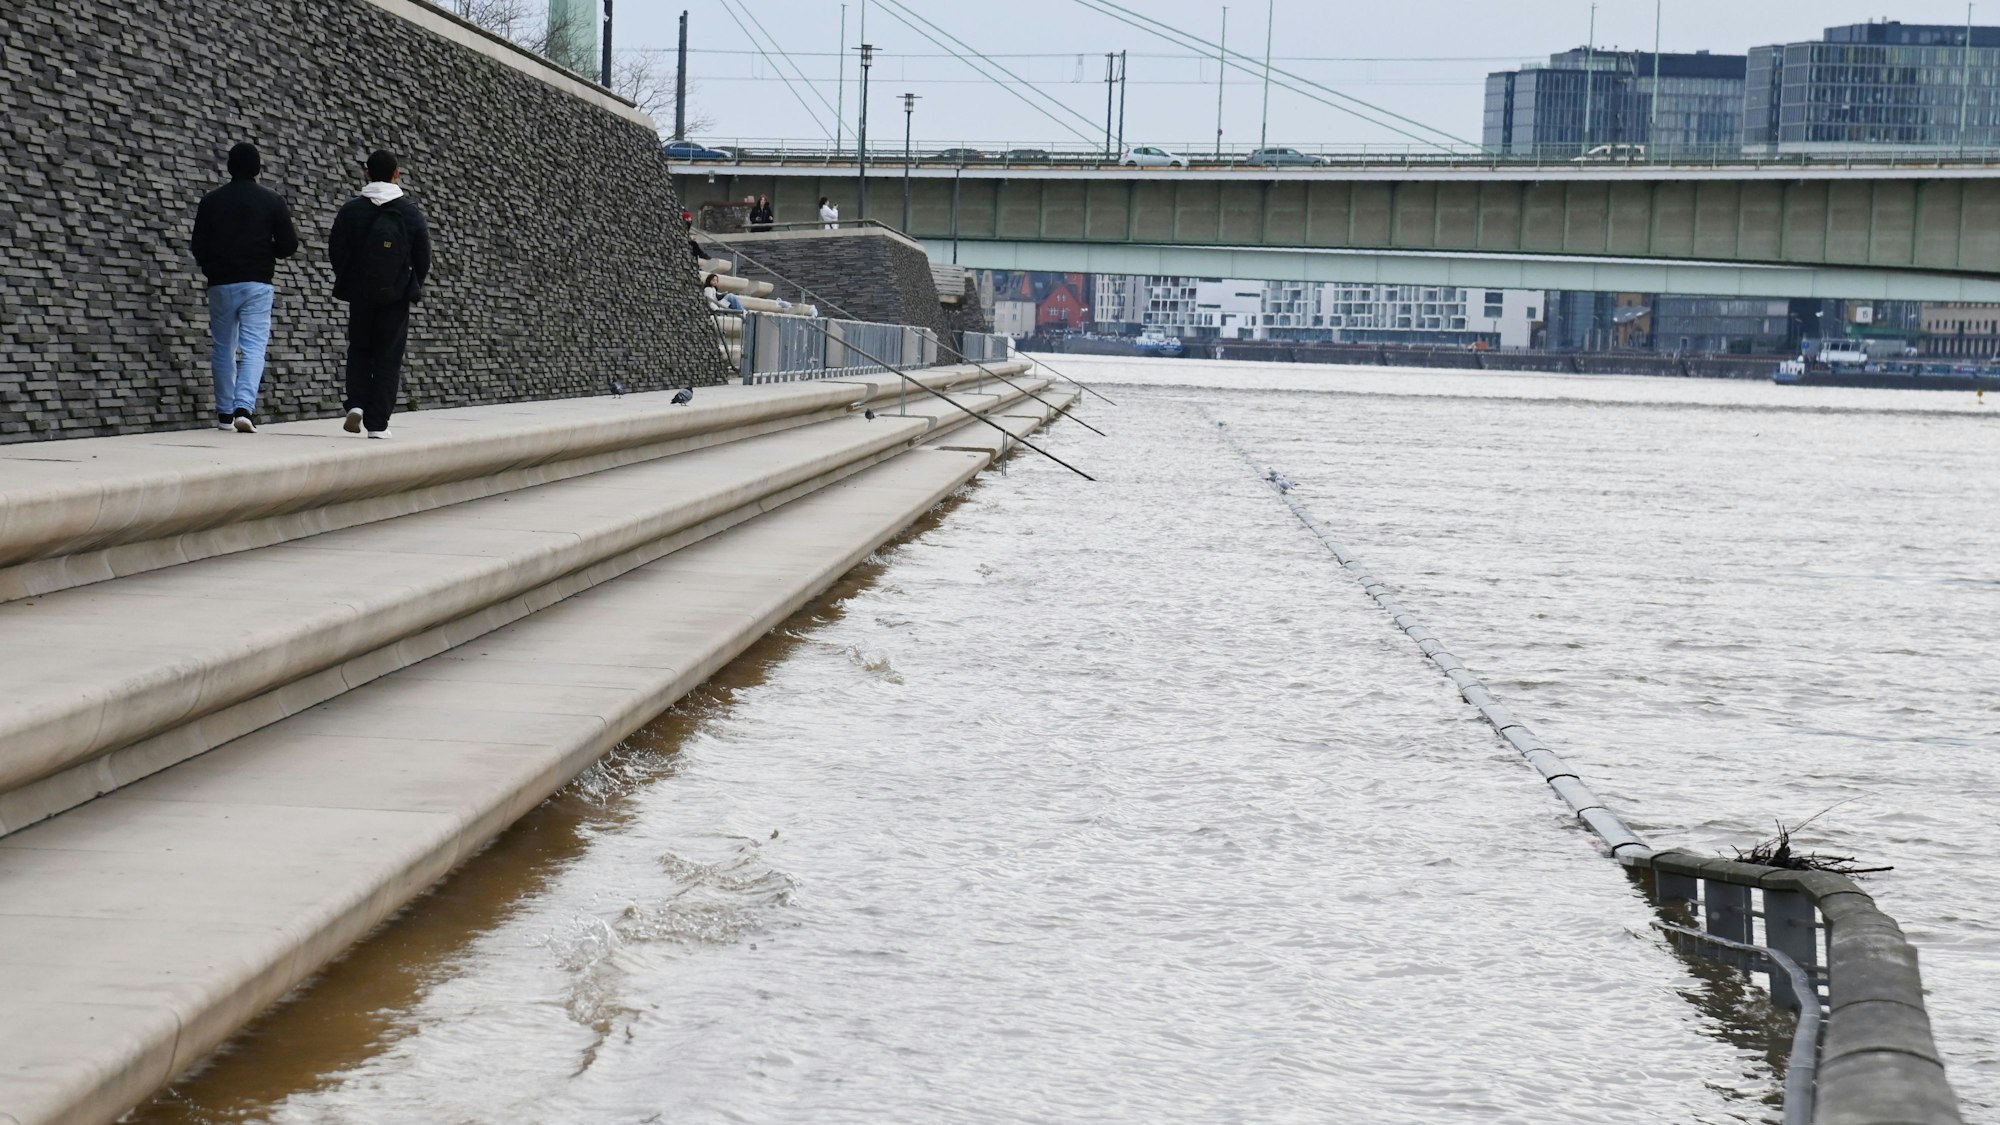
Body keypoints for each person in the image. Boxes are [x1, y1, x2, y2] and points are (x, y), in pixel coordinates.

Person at [190, 142, 299, 433]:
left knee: (223, 347)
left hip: (221, 283)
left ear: (229, 167)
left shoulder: (211, 201)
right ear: (257, 168)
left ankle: (224, 413)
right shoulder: (271, 200)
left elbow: (198, 244)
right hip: (257, 282)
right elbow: (289, 245)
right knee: (253, 348)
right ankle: (243, 408)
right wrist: (265, 251)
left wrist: (211, 266)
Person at [328, 149, 430, 439]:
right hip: (395, 296)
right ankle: (378, 424)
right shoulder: (410, 213)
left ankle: (357, 403)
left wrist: (349, 279)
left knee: (360, 348)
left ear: (367, 172)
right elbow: (423, 257)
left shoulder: (351, 210)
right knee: (388, 356)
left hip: (361, 294)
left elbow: (337, 250)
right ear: (396, 174)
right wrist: (410, 285)